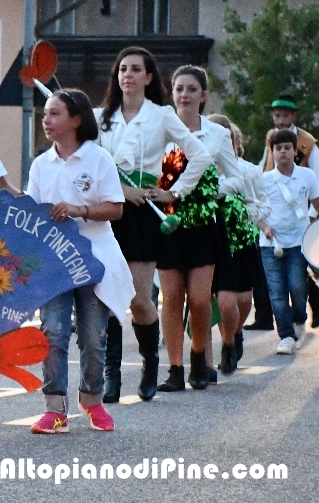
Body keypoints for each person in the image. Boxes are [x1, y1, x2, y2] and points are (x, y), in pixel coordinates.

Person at [94, 47, 213, 403]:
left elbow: (200, 155)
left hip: (144, 212)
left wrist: (171, 192)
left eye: (135, 69)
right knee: (107, 295)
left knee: (137, 297)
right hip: (108, 208)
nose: (127, 75)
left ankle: (149, 361)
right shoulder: (100, 118)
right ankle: (110, 374)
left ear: (149, 77)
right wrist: (119, 189)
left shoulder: (162, 116)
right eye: (122, 69)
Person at [28, 89, 134, 433]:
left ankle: (92, 399)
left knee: (92, 335)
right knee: (53, 331)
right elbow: (31, 213)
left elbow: (115, 209)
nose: (46, 120)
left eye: (54, 114)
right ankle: (54, 407)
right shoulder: (40, 164)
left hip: (94, 256)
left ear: (76, 120)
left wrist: (79, 210)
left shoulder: (98, 159)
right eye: (45, 113)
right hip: (54, 260)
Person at [153, 65, 231, 391]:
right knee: (171, 297)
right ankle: (174, 368)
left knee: (199, 300)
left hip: (202, 225)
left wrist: (215, 189)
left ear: (204, 96)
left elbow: (235, 175)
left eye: (191, 89)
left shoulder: (218, 135)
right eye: (179, 89)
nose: (184, 95)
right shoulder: (157, 131)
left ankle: (199, 355)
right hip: (167, 223)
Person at [260, 130, 319, 355]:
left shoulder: (307, 176)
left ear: (294, 151)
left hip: (299, 242)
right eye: (278, 148)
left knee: (298, 287)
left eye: (287, 148)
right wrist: (264, 227)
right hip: (270, 244)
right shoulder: (264, 180)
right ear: (272, 152)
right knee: (277, 292)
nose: (283, 152)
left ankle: (299, 318)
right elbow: (254, 210)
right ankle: (286, 336)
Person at [255, 95, 319, 329]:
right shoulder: (272, 139)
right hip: (272, 219)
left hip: (300, 217)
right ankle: (272, 322)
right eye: (276, 115)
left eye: (285, 115)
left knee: (296, 280)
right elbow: (262, 167)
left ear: (293, 116)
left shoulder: (307, 142)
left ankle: (308, 306)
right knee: (277, 281)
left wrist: (312, 215)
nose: (280, 119)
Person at [207, 114, 270, 373]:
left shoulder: (249, 171)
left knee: (244, 301)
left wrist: (245, 216)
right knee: (224, 301)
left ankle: (236, 332)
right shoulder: (201, 170)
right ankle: (227, 344)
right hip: (214, 242)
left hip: (242, 241)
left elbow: (263, 205)